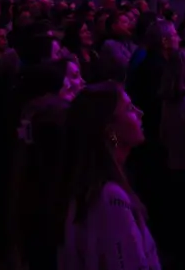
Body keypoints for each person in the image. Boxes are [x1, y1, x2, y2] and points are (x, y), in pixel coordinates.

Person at [53, 83, 161, 270]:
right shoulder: (110, 197)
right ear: (111, 131)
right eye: (129, 109)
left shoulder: (97, 185)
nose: (140, 113)